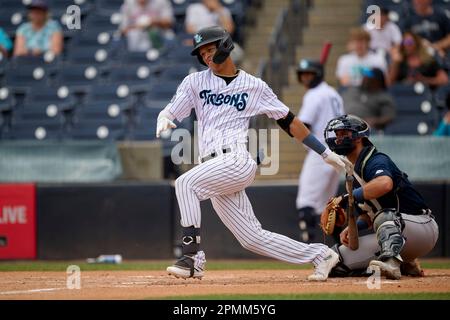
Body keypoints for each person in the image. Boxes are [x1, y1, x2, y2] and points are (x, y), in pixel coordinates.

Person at [156, 26, 350, 281]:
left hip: (236, 159)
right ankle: (320, 255)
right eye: (201, 53)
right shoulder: (195, 81)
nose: (205, 56)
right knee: (252, 238)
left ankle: (191, 257)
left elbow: (289, 121)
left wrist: (324, 152)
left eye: (210, 49)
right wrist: (165, 115)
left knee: (185, 183)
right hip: (214, 168)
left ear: (225, 46)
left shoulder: (254, 86)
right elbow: (174, 109)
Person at [322, 114, 439, 280]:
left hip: (422, 228)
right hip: (399, 232)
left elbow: (385, 184)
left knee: (385, 215)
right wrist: (354, 226)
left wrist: (347, 197)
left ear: (358, 137)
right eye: (337, 134)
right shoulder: (352, 173)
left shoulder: (375, 160)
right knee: (334, 260)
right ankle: (405, 262)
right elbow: (367, 217)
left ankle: (392, 262)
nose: (339, 139)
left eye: (344, 134)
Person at [295, 59, 345, 243]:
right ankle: (341, 251)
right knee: (328, 208)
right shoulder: (333, 94)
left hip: (321, 153)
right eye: (303, 74)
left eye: (310, 74)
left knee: (305, 204)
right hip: (337, 154)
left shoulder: (314, 95)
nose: (306, 78)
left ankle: (310, 249)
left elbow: (302, 125)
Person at [185, 0, 243, 66]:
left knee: (237, 51)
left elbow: (229, 30)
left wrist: (218, 10)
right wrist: (211, 34)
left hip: (219, 43)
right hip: (202, 42)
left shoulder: (223, 10)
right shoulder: (194, 8)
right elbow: (190, 29)